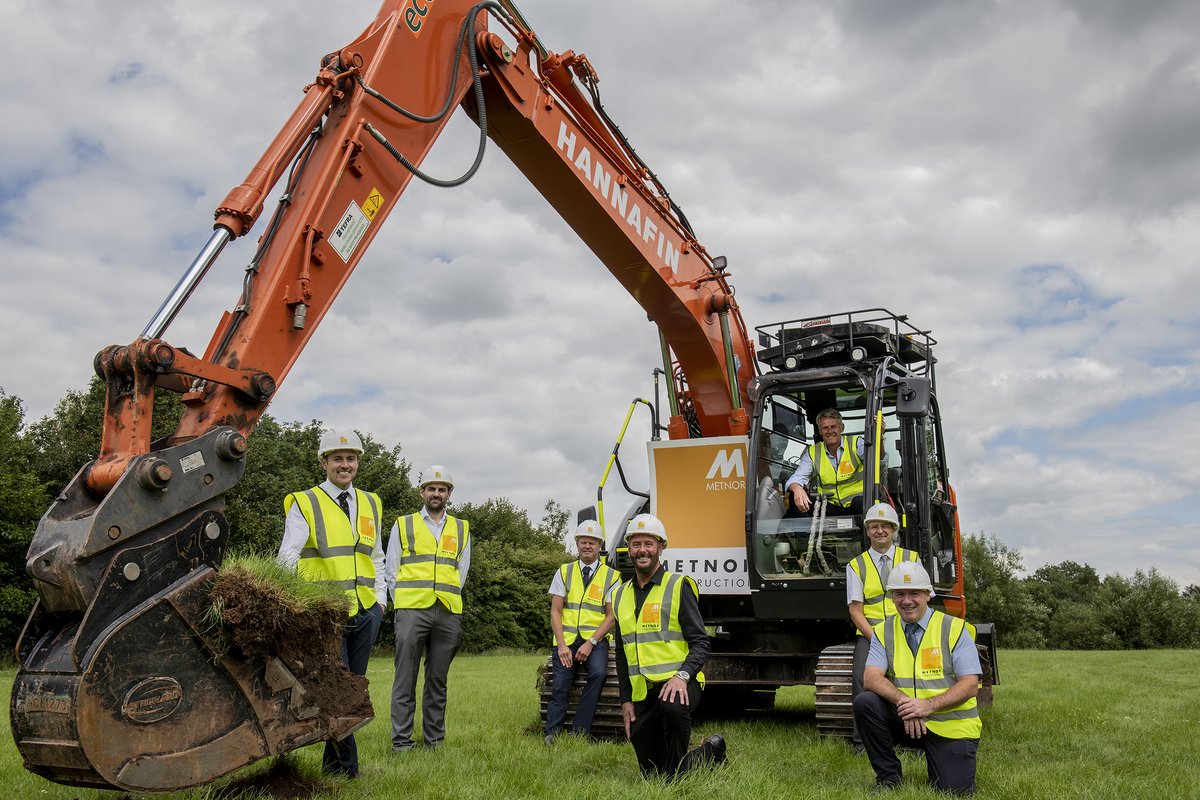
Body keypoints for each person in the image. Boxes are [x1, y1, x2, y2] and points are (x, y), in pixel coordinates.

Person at [278, 428, 385, 779]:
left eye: (350, 458)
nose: (345, 464)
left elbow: (377, 556)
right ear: (324, 462)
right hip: (326, 614)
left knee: (353, 687)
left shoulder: (371, 503)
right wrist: (295, 605)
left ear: (357, 464)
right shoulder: (304, 502)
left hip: (366, 610)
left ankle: (332, 766)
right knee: (339, 691)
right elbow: (288, 556)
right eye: (337, 458)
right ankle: (350, 771)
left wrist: (381, 601)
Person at [613, 513, 726, 778]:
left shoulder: (678, 586)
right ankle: (711, 751)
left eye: (649, 544)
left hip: (680, 686)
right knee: (650, 773)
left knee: (672, 712)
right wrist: (625, 700)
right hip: (643, 693)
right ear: (628, 548)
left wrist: (681, 676)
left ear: (660, 548)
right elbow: (621, 652)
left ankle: (696, 759)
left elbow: (700, 642)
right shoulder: (619, 595)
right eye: (636, 544)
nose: (642, 550)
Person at [854, 561, 982, 794]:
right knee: (866, 702)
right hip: (907, 719)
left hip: (949, 725)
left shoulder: (954, 628)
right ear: (892, 597)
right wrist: (909, 705)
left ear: (927, 594)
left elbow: (970, 685)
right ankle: (888, 777)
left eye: (914, 593)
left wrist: (927, 706)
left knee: (954, 791)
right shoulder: (883, 631)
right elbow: (871, 678)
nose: (907, 600)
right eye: (899, 594)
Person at [385, 464, 470, 752]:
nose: (436, 493)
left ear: (449, 494)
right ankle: (402, 743)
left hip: (447, 611)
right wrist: (403, 603)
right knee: (404, 680)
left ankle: (434, 741)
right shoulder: (403, 524)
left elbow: (462, 570)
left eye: (442, 489)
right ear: (422, 492)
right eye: (431, 488)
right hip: (412, 611)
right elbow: (391, 568)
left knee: (438, 681)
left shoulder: (461, 528)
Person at [846, 502, 919, 749]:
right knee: (861, 678)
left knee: (913, 676)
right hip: (871, 632)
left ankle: (915, 736)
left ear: (894, 530)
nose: (880, 531)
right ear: (867, 531)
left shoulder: (911, 558)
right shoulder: (856, 565)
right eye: (874, 526)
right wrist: (876, 637)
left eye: (885, 526)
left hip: (906, 628)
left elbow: (919, 599)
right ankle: (862, 742)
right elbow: (855, 609)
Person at [545, 519, 620, 743]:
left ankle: (580, 731)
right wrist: (561, 646)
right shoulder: (564, 571)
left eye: (593, 542)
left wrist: (591, 643)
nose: (588, 546)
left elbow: (611, 617)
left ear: (599, 546)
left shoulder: (612, 576)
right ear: (577, 544)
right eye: (583, 542)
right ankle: (552, 732)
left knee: (598, 673)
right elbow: (556, 611)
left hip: (595, 640)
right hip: (566, 640)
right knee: (560, 683)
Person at [784, 408, 865, 517]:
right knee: (795, 496)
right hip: (830, 507)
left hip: (858, 504)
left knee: (862, 502)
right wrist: (797, 489)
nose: (830, 431)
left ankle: (869, 532)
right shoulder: (813, 452)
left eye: (833, 427)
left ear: (842, 428)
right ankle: (803, 534)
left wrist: (880, 438)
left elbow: (876, 460)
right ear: (820, 431)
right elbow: (796, 478)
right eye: (825, 428)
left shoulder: (856, 443)